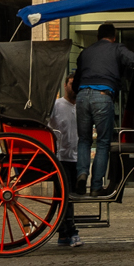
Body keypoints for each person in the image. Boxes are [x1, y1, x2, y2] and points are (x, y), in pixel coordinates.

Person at [74, 23, 134, 195]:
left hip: (82, 96)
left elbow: (76, 81)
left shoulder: (85, 52)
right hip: (102, 95)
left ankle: (82, 174)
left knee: (84, 140)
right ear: (114, 37)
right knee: (102, 143)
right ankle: (95, 187)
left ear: (97, 36)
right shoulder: (117, 48)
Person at [50, 76, 82, 248]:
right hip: (61, 157)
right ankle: (70, 230)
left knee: (72, 195)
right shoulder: (56, 105)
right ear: (65, 85)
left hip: (77, 157)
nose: (74, 87)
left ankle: (64, 232)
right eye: (72, 83)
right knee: (66, 195)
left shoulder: (81, 106)